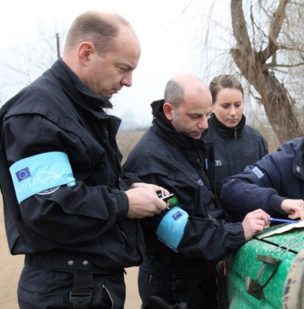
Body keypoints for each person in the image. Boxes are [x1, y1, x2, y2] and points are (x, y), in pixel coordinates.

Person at [0, 11, 168, 308]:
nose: (129, 81)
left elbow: (88, 180)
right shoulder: (38, 115)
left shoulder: (80, 110)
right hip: (67, 290)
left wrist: (131, 187)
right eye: (123, 68)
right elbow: (47, 206)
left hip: (88, 284)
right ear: (86, 53)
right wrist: (124, 203)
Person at [122, 74, 270, 308]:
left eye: (207, 115)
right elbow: (181, 232)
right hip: (172, 289)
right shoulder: (150, 163)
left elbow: (206, 205)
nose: (204, 124)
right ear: (169, 111)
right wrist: (237, 232)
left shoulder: (188, 143)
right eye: (196, 116)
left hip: (201, 277)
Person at [204, 74, 268, 200]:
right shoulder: (201, 141)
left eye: (238, 105)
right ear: (212, 106)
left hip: (256, 215)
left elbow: (267, 181)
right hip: (217, 218)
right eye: (226, 106)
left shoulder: (256, 139)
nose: (233, 113)